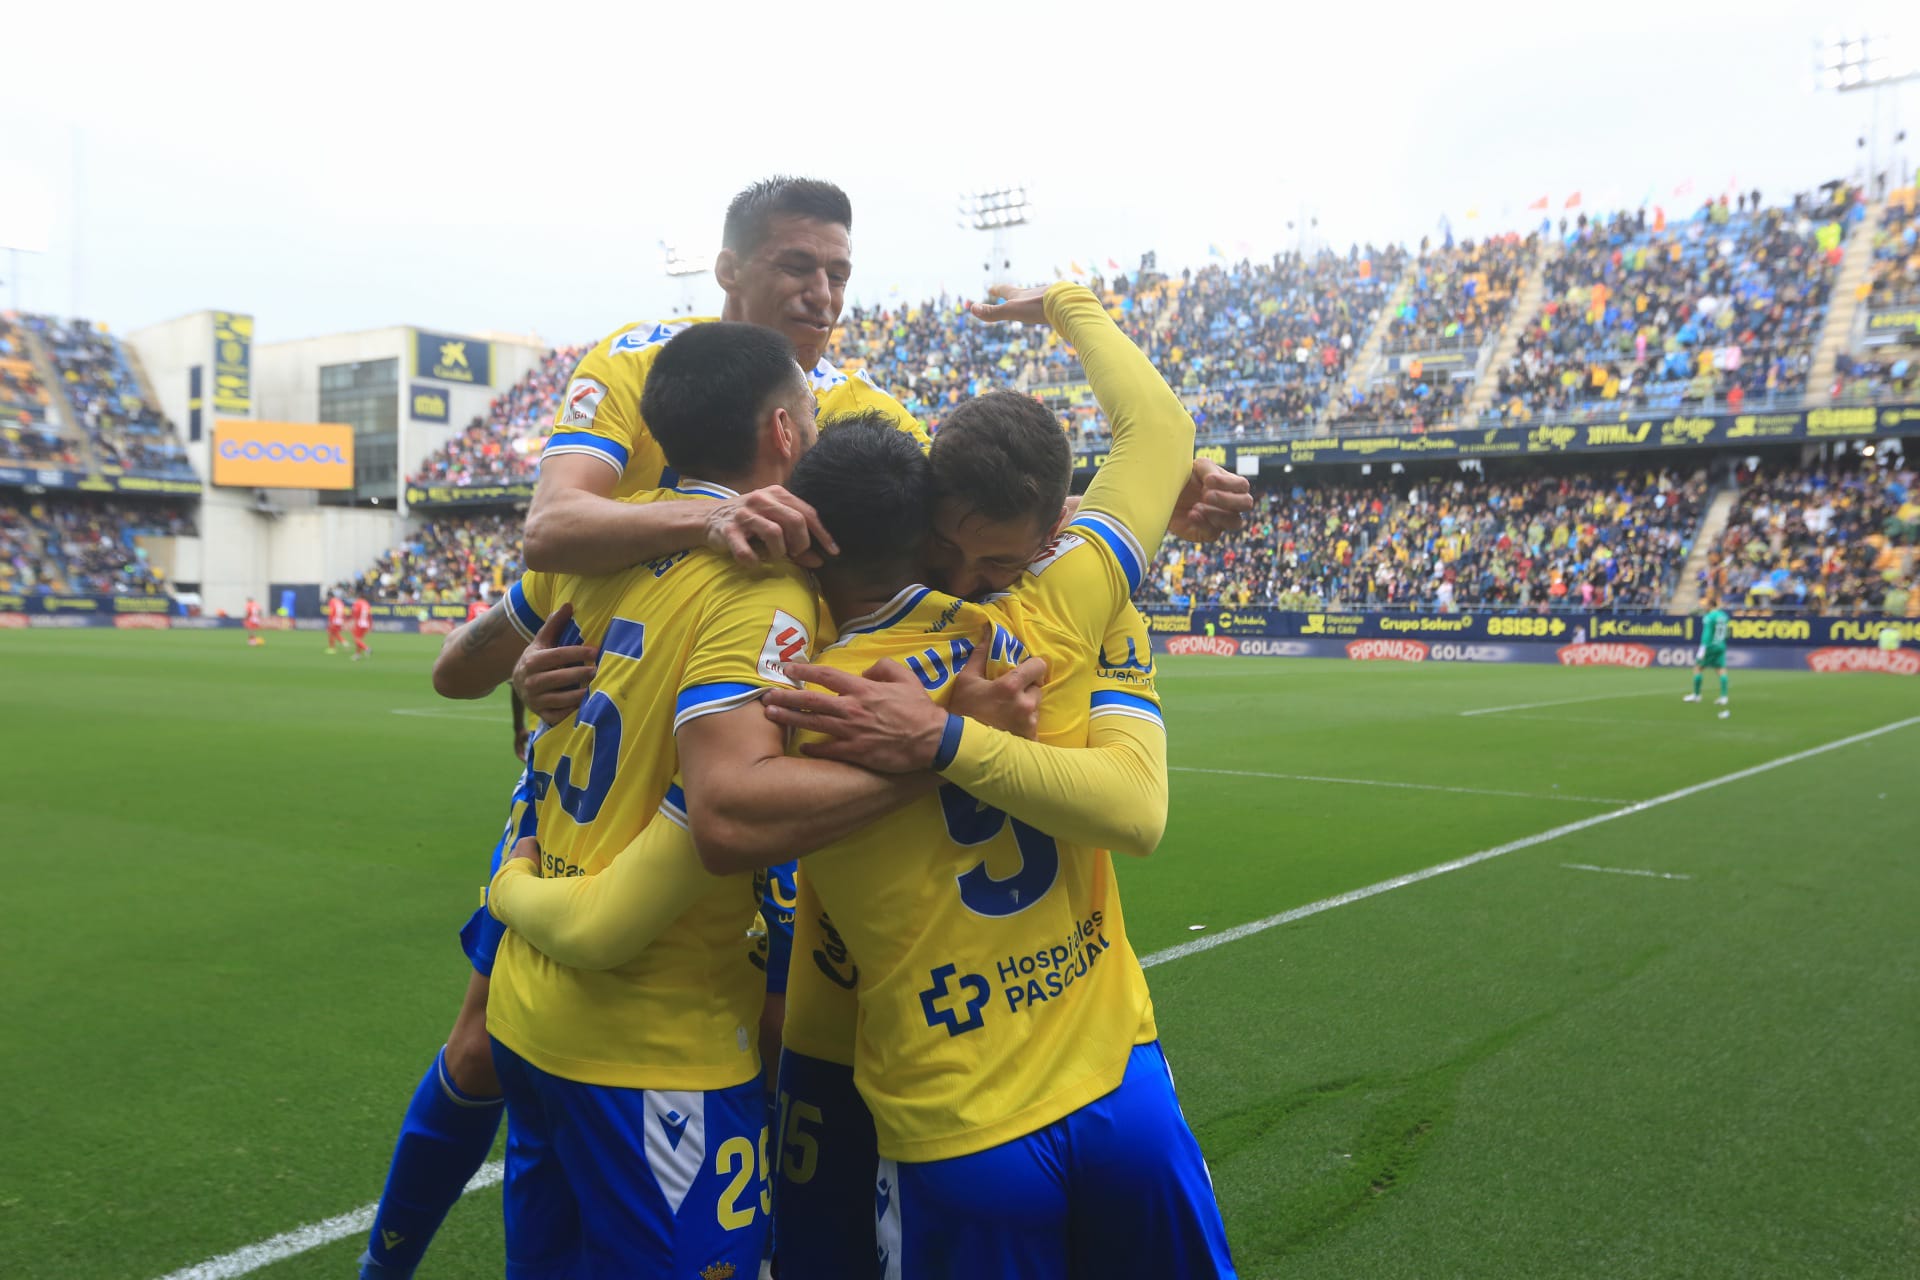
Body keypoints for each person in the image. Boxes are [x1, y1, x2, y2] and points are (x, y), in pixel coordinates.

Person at [359, 175, 1251, 1280]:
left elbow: (971, 506)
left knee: (787, 1005)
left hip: (779, 715)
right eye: (798, 265)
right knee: (487, 1033)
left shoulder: (868, 414)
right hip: (673, 734)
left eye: (838, 269)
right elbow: (552, 530)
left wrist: (1151, 495)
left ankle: (808, 1227)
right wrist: (685, 543)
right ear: (729, 267)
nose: (824, 291)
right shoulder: (641, 359)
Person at [431, 323, 973, 1277]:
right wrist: (949, 751)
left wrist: (520, 676)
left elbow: (457, 668)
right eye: (808, 408)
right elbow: (731, 810)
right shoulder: (763, 584)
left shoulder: (593, 546)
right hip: (651, 1047)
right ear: (785, 432)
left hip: (527, 1011)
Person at [1685, 595, 1731, 717]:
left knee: (1697, 668)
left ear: (1711, 605)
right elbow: (1727, 633)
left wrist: (1703, 648)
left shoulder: (1709, 617)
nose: (1704, 606)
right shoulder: (1724, 616)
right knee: (1721, 671)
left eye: (1705, 604)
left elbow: (1707, 634)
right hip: (1721, 645)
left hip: (1709, 646)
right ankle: (1724, 697)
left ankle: (1696, 695)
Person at [351, 593, 373, 661]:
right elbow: (369, 615)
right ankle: (358, 655)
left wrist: (353, 621)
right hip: (365, 623)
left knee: (355, 639)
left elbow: (355, 613)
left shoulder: (357, 603)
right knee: (359, 640)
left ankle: (367, 648)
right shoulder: (367, 604)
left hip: (359, 623)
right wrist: (370, 625)